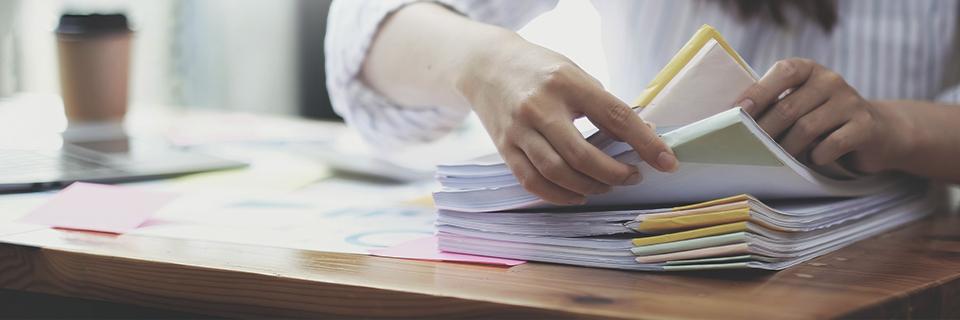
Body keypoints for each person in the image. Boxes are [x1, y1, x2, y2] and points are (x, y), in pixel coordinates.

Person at [326, 0, 960, 205]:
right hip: (645, 268)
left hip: (886, 279)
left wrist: (894, 125)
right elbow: (362, 33)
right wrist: (480, 61)